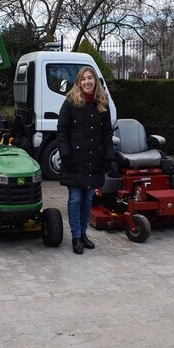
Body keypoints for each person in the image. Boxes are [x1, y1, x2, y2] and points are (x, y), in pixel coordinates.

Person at [56, 66, 115, 255]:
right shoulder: (70, 102)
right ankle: (75, 237)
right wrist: (65, 154)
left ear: (95, 81)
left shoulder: (102, 104)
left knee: (88, 198)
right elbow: (62, 130)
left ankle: (83, 234)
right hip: (74, 159)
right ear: (79, 82)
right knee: (75, 198)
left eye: (90, 78)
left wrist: (108, 156)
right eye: (84, 79)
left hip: (94, 159)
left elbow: (107, 133)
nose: (87, 82)